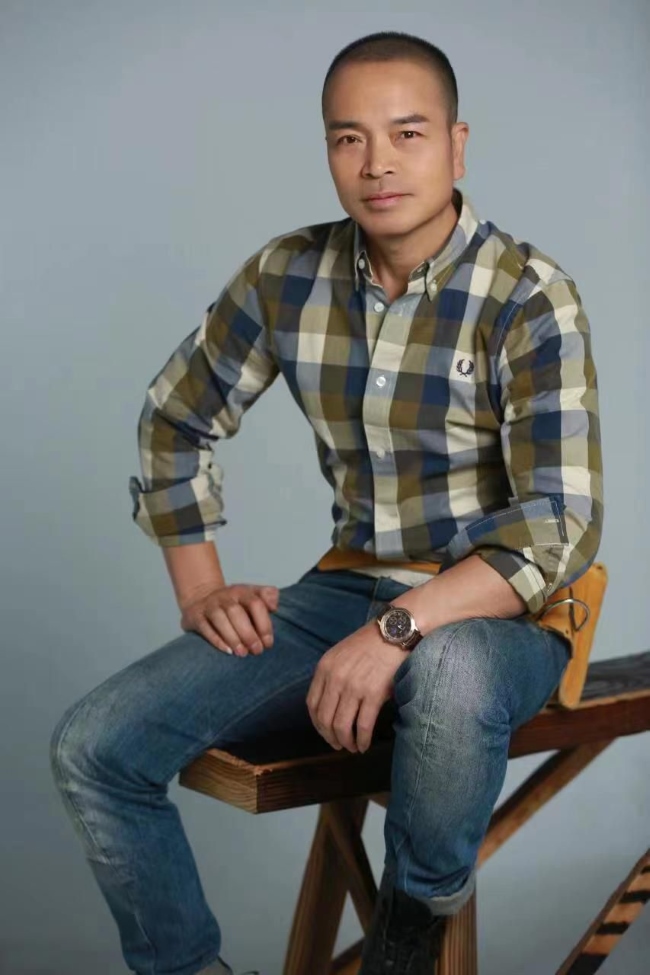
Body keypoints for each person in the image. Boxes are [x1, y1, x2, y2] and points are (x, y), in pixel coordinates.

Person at [49, 29, 604, 975]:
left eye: (407, 133)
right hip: (345, 590)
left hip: (501, 614)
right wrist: (200, 588)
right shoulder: (288, 275)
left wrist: (397, 630)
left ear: (458, 146)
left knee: (451, 671)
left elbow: (561, 523)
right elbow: (175, 417)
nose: (377, 162)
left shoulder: (529, 296)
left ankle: (405, 940)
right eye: (349, 138)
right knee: (94, 747)